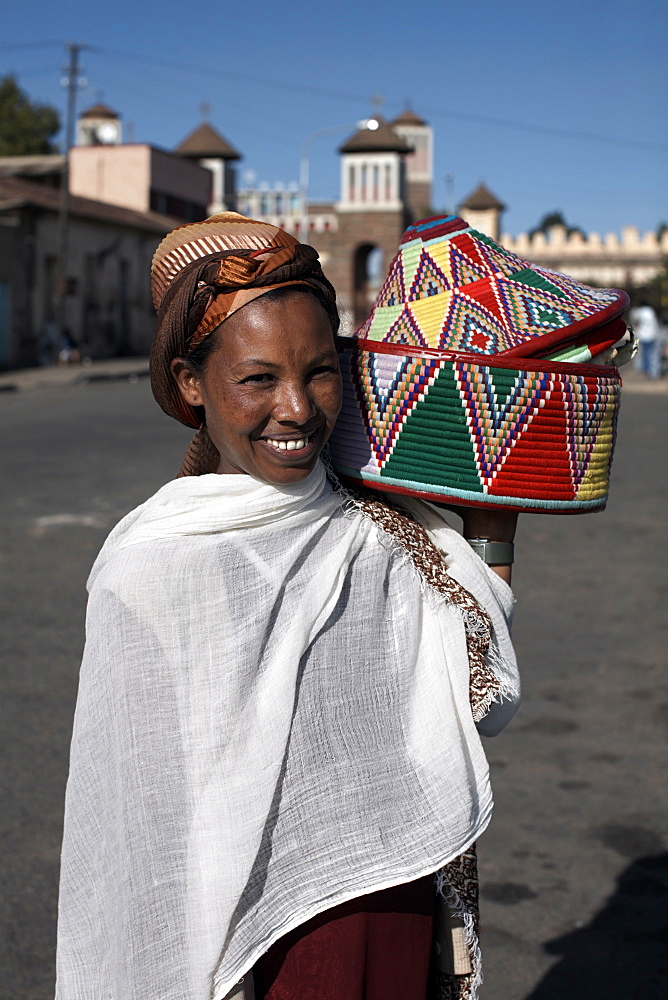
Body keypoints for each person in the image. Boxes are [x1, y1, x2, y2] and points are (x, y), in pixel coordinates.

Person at [56, 213, 520, 1000]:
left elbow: (474, 703)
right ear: (189, 382)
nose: (299, 408)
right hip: (251, 947)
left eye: (320, 371)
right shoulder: (151, 567)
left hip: (391, 908)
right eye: (258, 378)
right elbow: (136, 829)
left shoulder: (376, 528)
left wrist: (489, 521)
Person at [631, 298, 662, 379]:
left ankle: (646, 371)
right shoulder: (650, 310)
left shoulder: (638, 311)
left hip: (643, 336)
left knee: (644, 355)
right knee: (653, 355)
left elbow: (636, 323)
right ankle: (654, 372)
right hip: (653, 335)